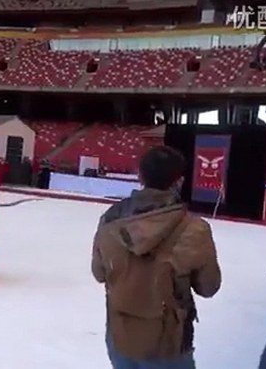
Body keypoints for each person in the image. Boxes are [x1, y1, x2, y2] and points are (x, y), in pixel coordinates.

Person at [91, 146, 221, 369]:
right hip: (169, 345)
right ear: (179, 181)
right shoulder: (195, 229)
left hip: (121, 336)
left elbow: (99, 273)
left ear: (140, 175)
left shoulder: (110, 220)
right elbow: (209, 287)